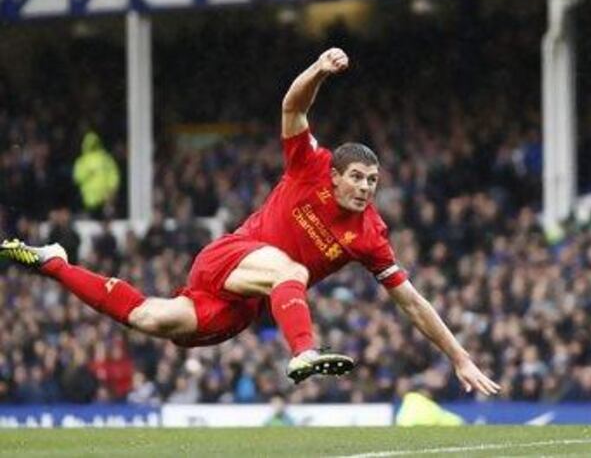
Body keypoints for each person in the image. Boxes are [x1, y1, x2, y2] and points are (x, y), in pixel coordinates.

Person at [1, 48, 501, 395]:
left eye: (374, 180)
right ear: (335, 173)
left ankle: (53, 263)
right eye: (357, 177)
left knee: (152, 320)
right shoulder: (310, 166)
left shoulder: (370, 234)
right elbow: (292, 106)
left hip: (241, 307)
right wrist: (319, 70)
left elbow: (412, 302)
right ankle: (303, 351)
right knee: (292, 271)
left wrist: (458, 356)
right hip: (230, 259)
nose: (367, 187)